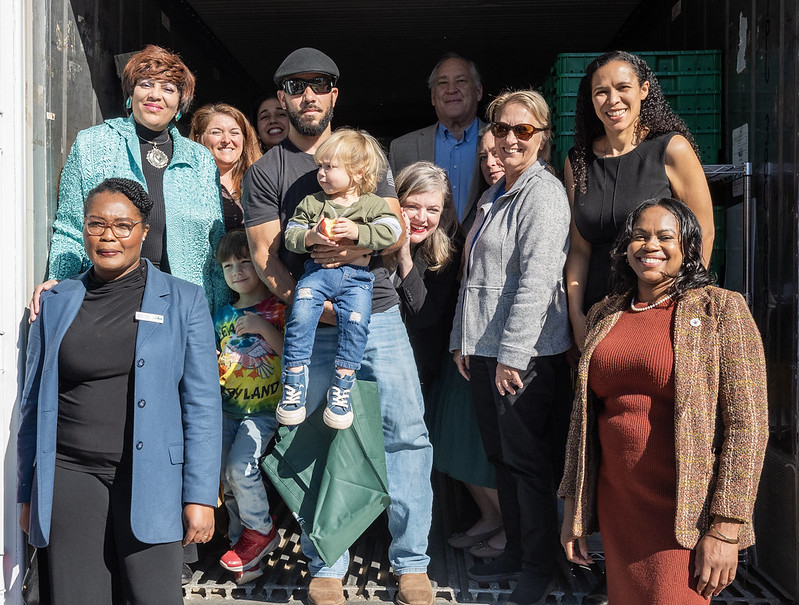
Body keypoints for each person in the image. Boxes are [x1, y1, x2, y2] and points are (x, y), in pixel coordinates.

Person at [242, 47, 434, 605]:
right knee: (316, 437)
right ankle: (326, 562)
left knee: (405, 435)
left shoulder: (365, 152)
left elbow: (396, 230)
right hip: (314, 322)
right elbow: (264, 255)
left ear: (334, 94)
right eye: (295, 87)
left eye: (318, 86)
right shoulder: (268, 171)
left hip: (379, 319)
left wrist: (359, 245)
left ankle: (412, 562)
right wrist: (317, 307)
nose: (307, 96)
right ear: (282, 98)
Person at [17, 177, 222, 605]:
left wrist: (201, 495)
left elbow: (202, 404)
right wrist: (26, 493)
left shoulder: (183, 300)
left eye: (123, 225)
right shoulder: (57, 301)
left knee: (154, 597)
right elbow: (33, 405)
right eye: (96, 224)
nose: (108, 236)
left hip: (154, 482)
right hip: (72, 476)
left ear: (144, 232)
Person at [559, 197, 769, 604]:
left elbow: (749, 426)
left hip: (684, 515)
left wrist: (725, 528)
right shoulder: (607, 312)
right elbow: (582, 421)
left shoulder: (720, 310)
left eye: (664, 236)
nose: (649, 245)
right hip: (620, 508)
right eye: (639, 235)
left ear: (688, 247)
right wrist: (573, 510)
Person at [449, 90, 572, 605]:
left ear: (542, 138)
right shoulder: (497, 192)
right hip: (484, 352)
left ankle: (540, 567)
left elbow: (537, 282)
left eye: (525, 130)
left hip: (523, 357)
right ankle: (519, 550)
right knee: (502, 458)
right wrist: (463, 339)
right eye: (503, 128)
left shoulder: (542, 195)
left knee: (527, 464)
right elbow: (473, 274)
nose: (511, 138)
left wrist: (512, 356)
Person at [29, 44, 227, 320]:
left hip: (184, 302)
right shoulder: (92, 143)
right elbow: (70, 226)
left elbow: (215, 245)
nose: (155, 95)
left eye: (168, 88)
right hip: (107, 293)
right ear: (130, 94)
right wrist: (62, 283)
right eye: (146, 84)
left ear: (180, 104)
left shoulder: (201, 159)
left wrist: (220, 318)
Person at [564, 50, 714, 351]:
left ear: (644, 90)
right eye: (601, 92)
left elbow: (703, 233)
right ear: (591, 100)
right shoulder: (577, 161)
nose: (612, 100)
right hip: (597, 312)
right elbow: (579, 249)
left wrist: (681, 299)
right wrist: (576, 315)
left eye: (622, 88)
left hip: (659, 307)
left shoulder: (672, 149)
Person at [393, 161, 505, 559]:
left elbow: (426, 316)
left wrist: (404, 257)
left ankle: (503, 523)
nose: (422, 217)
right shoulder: (370, 238)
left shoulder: (446, 248)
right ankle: (490, 519)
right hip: (381, 369)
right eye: (412, 205)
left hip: (427, 368)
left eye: (433, 209)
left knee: (445, 449)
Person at [278, 128, 400, 430]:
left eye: (329, 167)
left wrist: (358, 233)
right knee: (302, 311)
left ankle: (342, 387)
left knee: (357, 321)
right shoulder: (311, 203)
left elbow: (393, 231)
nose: (321, 173)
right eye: (320, 166)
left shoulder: (371, 204)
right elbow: (290, 236)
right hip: (317, 275)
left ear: (357, 172)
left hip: (358, 280)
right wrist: (311, 236)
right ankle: (294, 381)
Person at [213, 229, 285, 584]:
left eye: (244, 262)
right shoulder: (221, 314)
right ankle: (247, 555)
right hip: (228, 408)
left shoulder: (276, 307)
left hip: (264, 410)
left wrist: (262, 328)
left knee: (242, 467)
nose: (237, 271)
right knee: (226, 477)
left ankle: (261, 532)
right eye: (228, 266)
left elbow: (292, 354)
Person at [389, 53, 485, 227]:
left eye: (461, 81)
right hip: (422, 253)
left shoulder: (502, 142)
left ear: (478, 91)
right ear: (433, 97)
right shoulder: (401, 148)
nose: (451, 89)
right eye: (442, 83)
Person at [191, 103, 262, 232]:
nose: (226, 140)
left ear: (245, 139)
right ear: (199, 139)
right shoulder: (188, 185)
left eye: (234, 133)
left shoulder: (260, 180)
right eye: (216, 132)